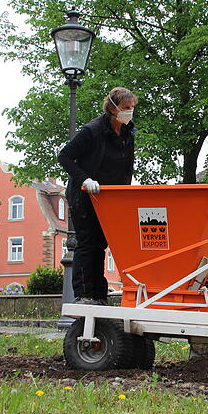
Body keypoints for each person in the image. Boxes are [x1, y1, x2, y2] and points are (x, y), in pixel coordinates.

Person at [58, 86, 138, 305]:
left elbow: (126, 166)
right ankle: (84, 294)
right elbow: (64, 157)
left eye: (131, 108)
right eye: (125, 108)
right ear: (112, 108)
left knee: (101, 243)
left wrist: (124, 194)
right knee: (87, 242)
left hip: (109, 198)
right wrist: (84, 179)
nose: (129, 112)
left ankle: (99, 295)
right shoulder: (92, 131)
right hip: (85, 195)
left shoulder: (128, 131)